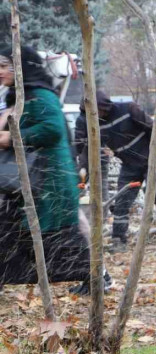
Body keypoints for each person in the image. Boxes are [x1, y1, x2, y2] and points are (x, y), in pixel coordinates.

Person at [0, 45, 110, 294]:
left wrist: (11, 138)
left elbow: (52, 129)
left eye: (5, 65)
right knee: (11, 233)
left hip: (48, 180)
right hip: (28, 179)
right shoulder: (18, 96)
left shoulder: (39, 95)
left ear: (21, 67)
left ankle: (95, 276)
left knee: (57, 239)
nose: (0, 71)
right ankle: (93, 277)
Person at [76, 91, 156, 253]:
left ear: (102, 106)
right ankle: (118, 241)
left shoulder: (128, 109)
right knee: (121, 203)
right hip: (129, 165)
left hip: (149, 158)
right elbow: (87, 149)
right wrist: (83, 171)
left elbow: (154, 129)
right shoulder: (94, 124)